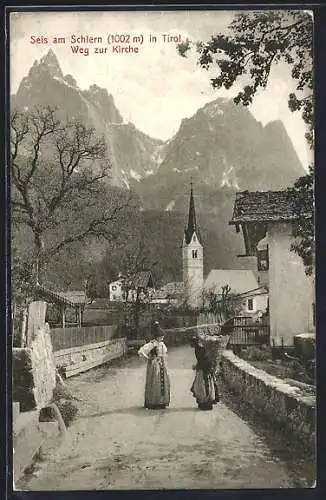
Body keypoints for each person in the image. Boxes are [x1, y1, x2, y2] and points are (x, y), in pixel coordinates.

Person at [138, 321, 170, 409]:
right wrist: (149, 358)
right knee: (155, 382)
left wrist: (163, 359)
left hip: (162, 364)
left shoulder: (162, 344)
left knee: (162, 382)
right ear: (157, 336)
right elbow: (141, 351)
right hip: (155, 365)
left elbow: (164, 353)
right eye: (161, 336)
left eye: (162, 336)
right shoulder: (152, 344)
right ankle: (153, 402)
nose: (162, 337)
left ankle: (161, 402)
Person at [190, 335, 220, 411]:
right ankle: (206, 403)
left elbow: (202, 360)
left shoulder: (199, 349)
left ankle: (204, 403)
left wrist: (197, 366)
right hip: (207, 368)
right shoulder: (202, 348)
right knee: (208, 385)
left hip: (205, 369)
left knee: (202, 386)